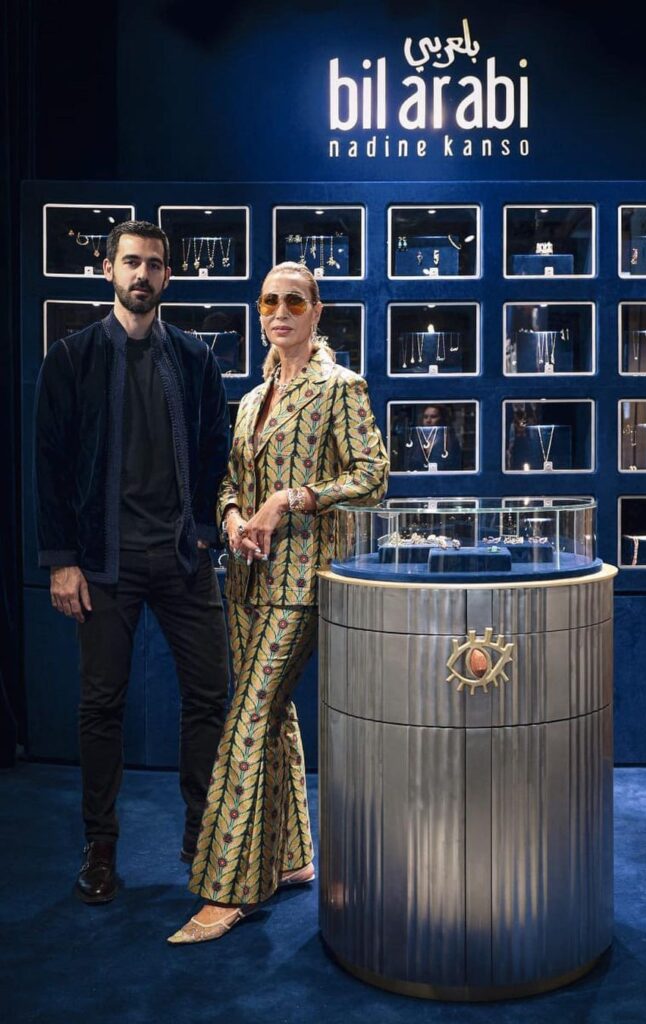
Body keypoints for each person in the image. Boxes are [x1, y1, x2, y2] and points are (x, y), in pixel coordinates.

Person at [168, 261, 389, 944]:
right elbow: (228, 483)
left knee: (248, 720)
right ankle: (293, 858)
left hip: (303, 582)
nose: (280, 312)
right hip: (245, 581)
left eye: (294, 301)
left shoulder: (340, 386)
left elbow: (373, 475)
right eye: (269, 301)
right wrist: (235, 517)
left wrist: (291, 499)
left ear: (317, 311)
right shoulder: (250, 399)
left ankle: (228, 891)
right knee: (275, 717)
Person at [34, 220, 231, 904]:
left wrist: (202, 532)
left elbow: (214, 448)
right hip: (103, 563)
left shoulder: (194, 358)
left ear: (167, 276)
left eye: (152, 263)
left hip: (181, 559)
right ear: (109, 271)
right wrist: (61, 561)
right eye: (130, 262)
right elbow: (51, 465)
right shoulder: (71, 358)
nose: (141, 274)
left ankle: (202, 838)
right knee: (101, 705)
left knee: (209, 694)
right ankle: (100, 846)